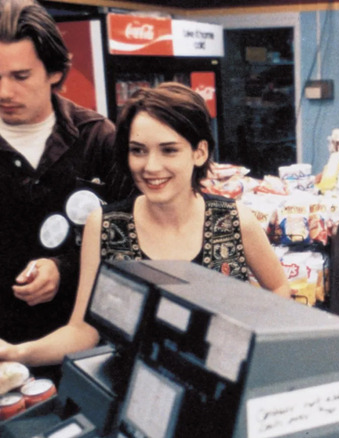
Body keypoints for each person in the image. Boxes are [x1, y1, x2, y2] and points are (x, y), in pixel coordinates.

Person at [0, 82, 291, 367]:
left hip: (218, 391)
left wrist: (254, 352)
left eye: (169, 150)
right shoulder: (103, 226)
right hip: (135, 396)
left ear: (199, 152)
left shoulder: (234, 220)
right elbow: (83, 331)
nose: (150, 166)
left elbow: (278, 287)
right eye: (138, 150)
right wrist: (16, 353)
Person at [0, 0, 131, 348]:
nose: (3, 92)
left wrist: (65, 267)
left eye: (20, 76)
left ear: (54, 71)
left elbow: (132, 234)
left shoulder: (97, 137)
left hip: (85, 343)